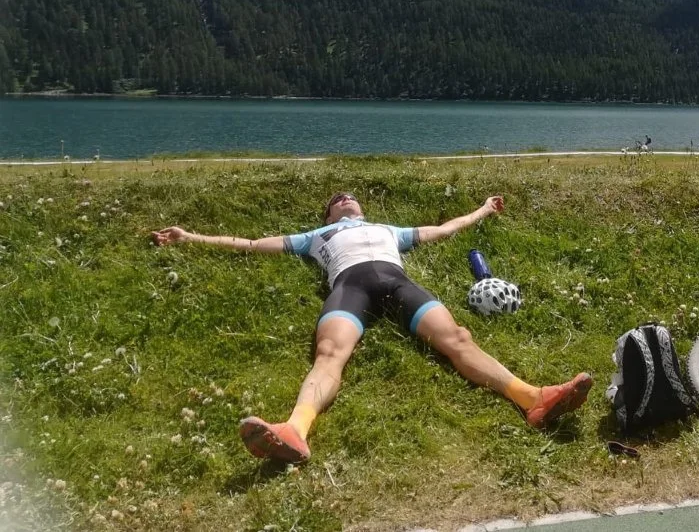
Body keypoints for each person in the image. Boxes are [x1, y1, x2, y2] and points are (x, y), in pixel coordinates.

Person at [150, 192, 592, 465]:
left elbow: (443, 229)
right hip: (350, 287)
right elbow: (249, 244)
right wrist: (189, 237)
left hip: (397, 281)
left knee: (458, 337)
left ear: (362, 209)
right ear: (329, 213)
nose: (344, 197)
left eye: (349, 196)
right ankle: (293, 431)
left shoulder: (389, 230)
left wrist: (481, 209)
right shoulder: (316, 236)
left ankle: (532, 398)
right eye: (336, 198)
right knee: (329, 355)